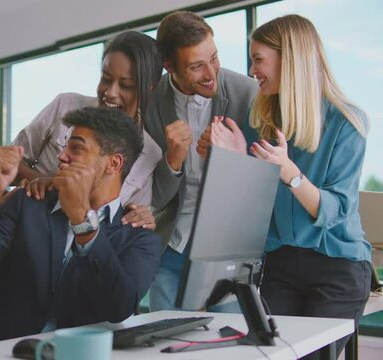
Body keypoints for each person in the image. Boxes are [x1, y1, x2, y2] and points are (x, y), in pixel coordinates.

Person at [210, 14, 371, 357]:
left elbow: (335, 210)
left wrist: (289, 172)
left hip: (337, 268)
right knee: (270, 355)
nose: (252, 70)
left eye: (258, 59)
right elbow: (249, 208)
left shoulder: (347, 123)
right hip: (281, 265)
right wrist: (238, 158)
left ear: (290, 59)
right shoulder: (260, 124)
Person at [0, 106, 161, 345]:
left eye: (76, 148)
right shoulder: (27, 203)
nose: (62, 155)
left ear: (113, 163)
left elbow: (118, 307)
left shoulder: (140, 238)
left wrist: (82, 220)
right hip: (2, 351)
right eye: (65, 145)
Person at [144, 11, 257, 311]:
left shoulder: (247, 94)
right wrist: (173, 160)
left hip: (227, 247)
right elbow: (152, 193)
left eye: (214, 58)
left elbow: (262, 186)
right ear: (169, 66)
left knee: (233, 342)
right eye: (196, 66)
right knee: (164, 339)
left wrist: (228, 161)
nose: (211, 73)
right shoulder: (150, 103)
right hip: (171, 242)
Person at [13, 30, 162, 227]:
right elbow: (11, 165)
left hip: (82, 245)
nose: (110, 92)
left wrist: (143, 216)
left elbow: (128, 217)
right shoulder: (65, 105)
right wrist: (52, 184)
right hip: (30, 228)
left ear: (150, 87)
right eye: (106, 79)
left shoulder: (150, 152)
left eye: (126, 85)